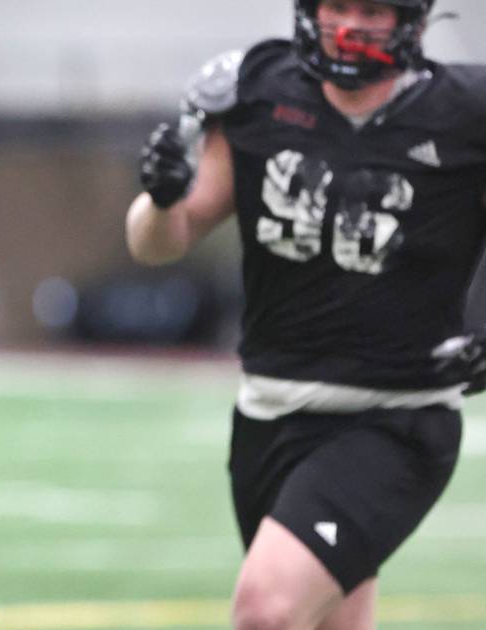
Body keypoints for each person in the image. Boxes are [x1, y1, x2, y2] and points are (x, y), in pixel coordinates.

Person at [126, 0, 485, 628]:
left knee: (266, 609)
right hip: (267, 414)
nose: (349, 25)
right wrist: (158, 199)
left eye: (372, 9)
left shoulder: (465, 114)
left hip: (394, 421)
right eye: (336, 5)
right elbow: (160, 241)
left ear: (415, 21)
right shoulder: (258, 91)